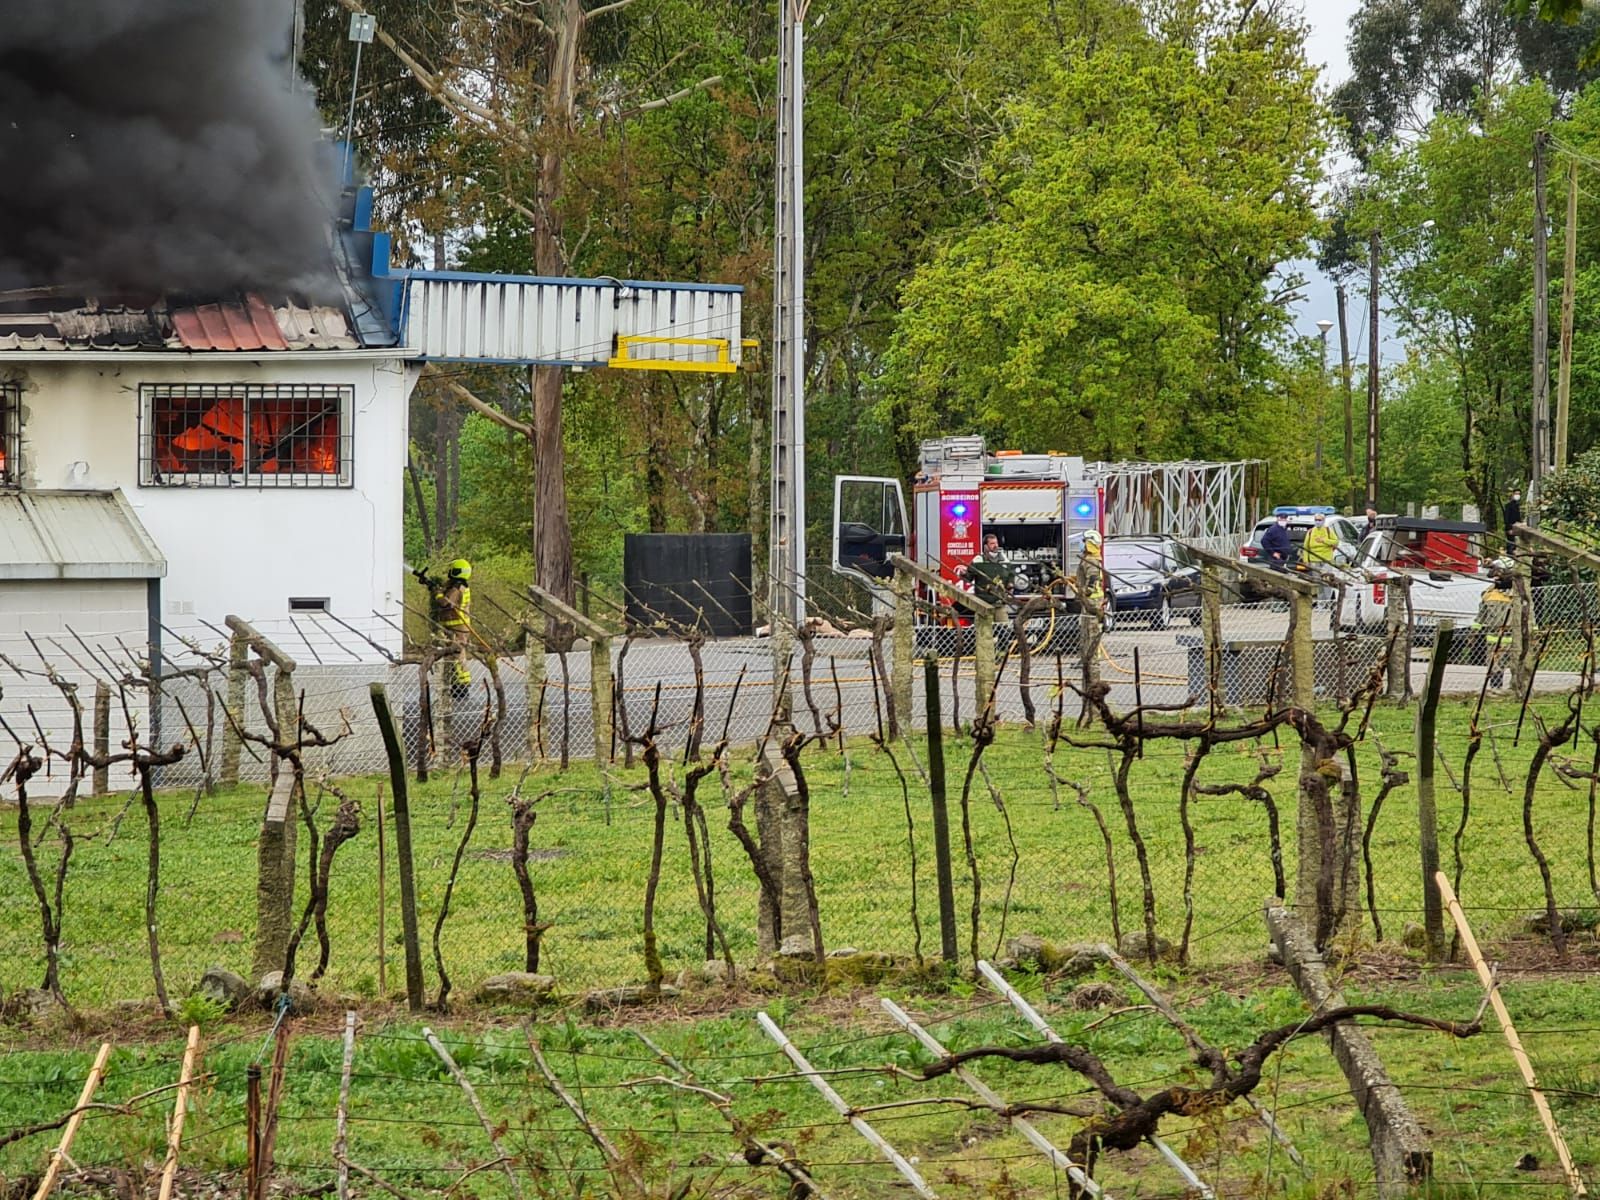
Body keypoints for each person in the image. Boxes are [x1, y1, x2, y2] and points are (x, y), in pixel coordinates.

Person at [428, 558, 474, 693]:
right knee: (454, 655)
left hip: (457, 627)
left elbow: (446, 603)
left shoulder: (458, 587)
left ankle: (461, 685)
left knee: (458, 655)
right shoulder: (459, 585)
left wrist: (436, 593)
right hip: (457, 627)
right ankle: (458, 682)